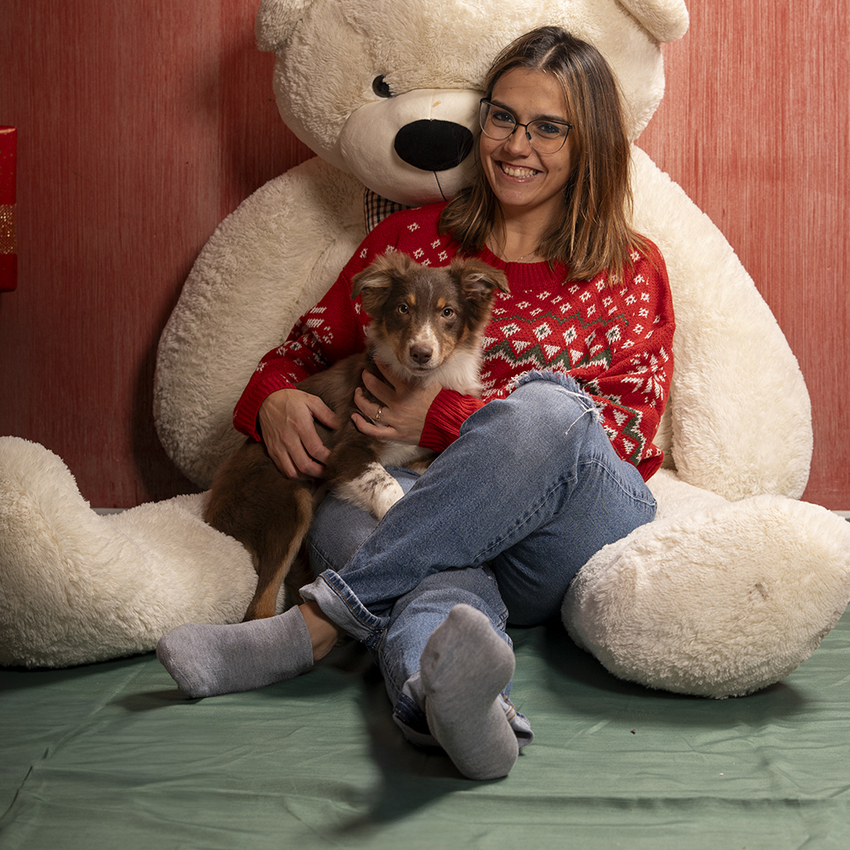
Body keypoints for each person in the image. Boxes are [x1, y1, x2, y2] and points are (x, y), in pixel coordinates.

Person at [157, 26, 675, 781]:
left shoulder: (628, 268)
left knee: (548, 409)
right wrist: (272, 402)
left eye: (548, 126)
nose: (515, 143)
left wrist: (440, 422)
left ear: (588, 142)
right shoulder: (413, 244)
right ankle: (449, 711)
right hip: (416, 518)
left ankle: (317, 623)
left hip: (563, 530)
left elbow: (624, 438)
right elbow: (293, 358)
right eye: (502, 116)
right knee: (418, 569)